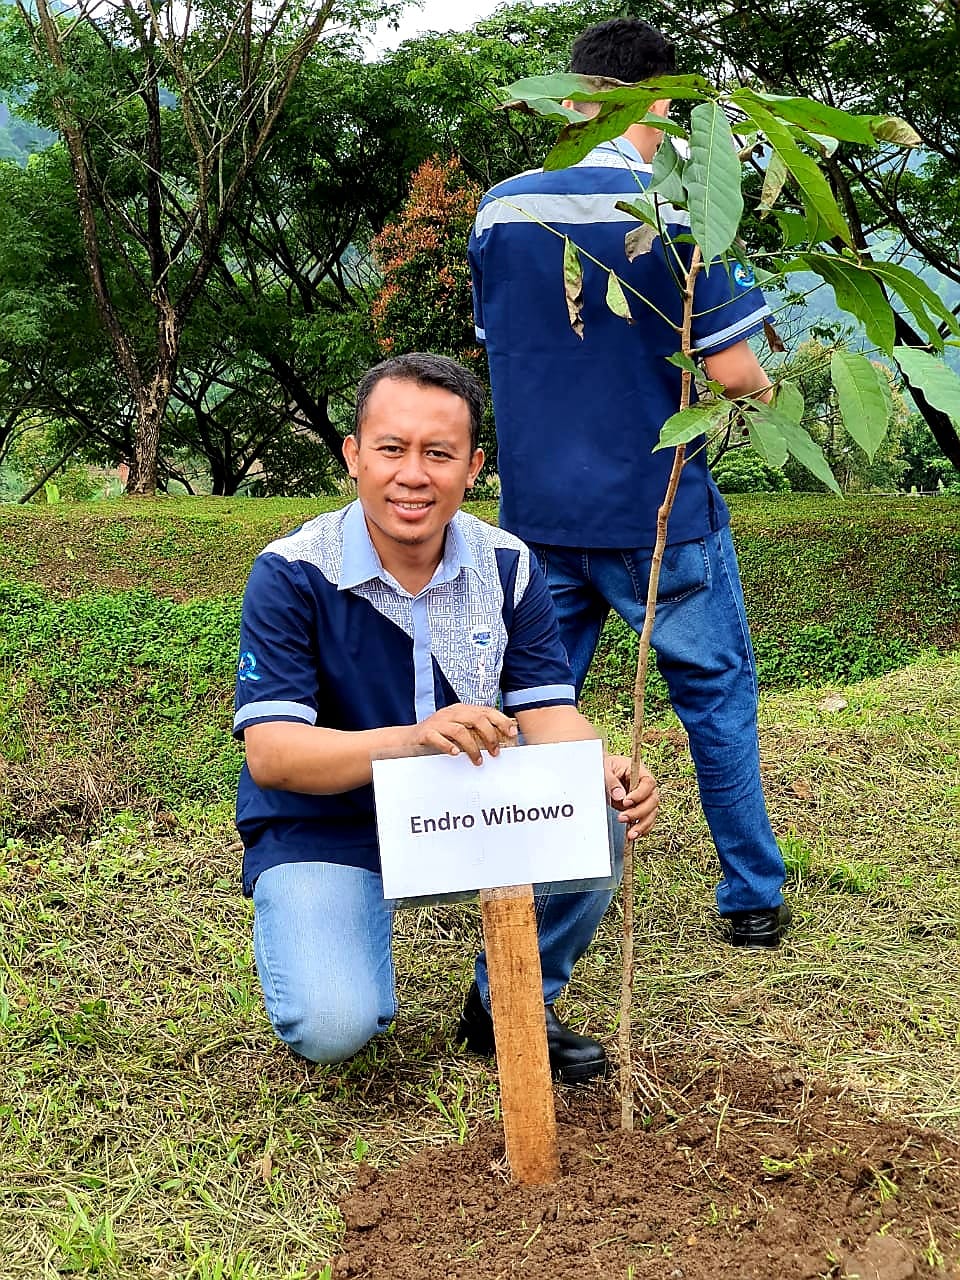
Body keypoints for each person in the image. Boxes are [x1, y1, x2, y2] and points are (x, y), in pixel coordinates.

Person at [233, 352, 659, 1082]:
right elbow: (273, 755)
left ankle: (510, 1001)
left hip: (468, 807)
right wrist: (410, 741)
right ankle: (343, 947)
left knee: (598, 813)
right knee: (333, 1026)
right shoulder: (293, 572)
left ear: (473, 466)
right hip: (329, 823)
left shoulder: (507, 564)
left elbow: (548, 710)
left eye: (439, 453)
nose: (412, 474)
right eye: (391, 448)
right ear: (353, 455)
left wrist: (604, 767)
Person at [469, 17, 790, 948]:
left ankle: (517, 882)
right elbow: (732, 375)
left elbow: (509, 350)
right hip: (660, 514)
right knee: (716, 696)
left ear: (571, 95)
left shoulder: (503, 210)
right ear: (663, 99)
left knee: (533, 708)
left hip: (537, 519)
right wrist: (766, 394)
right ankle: (751, 895)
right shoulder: (678, 207)